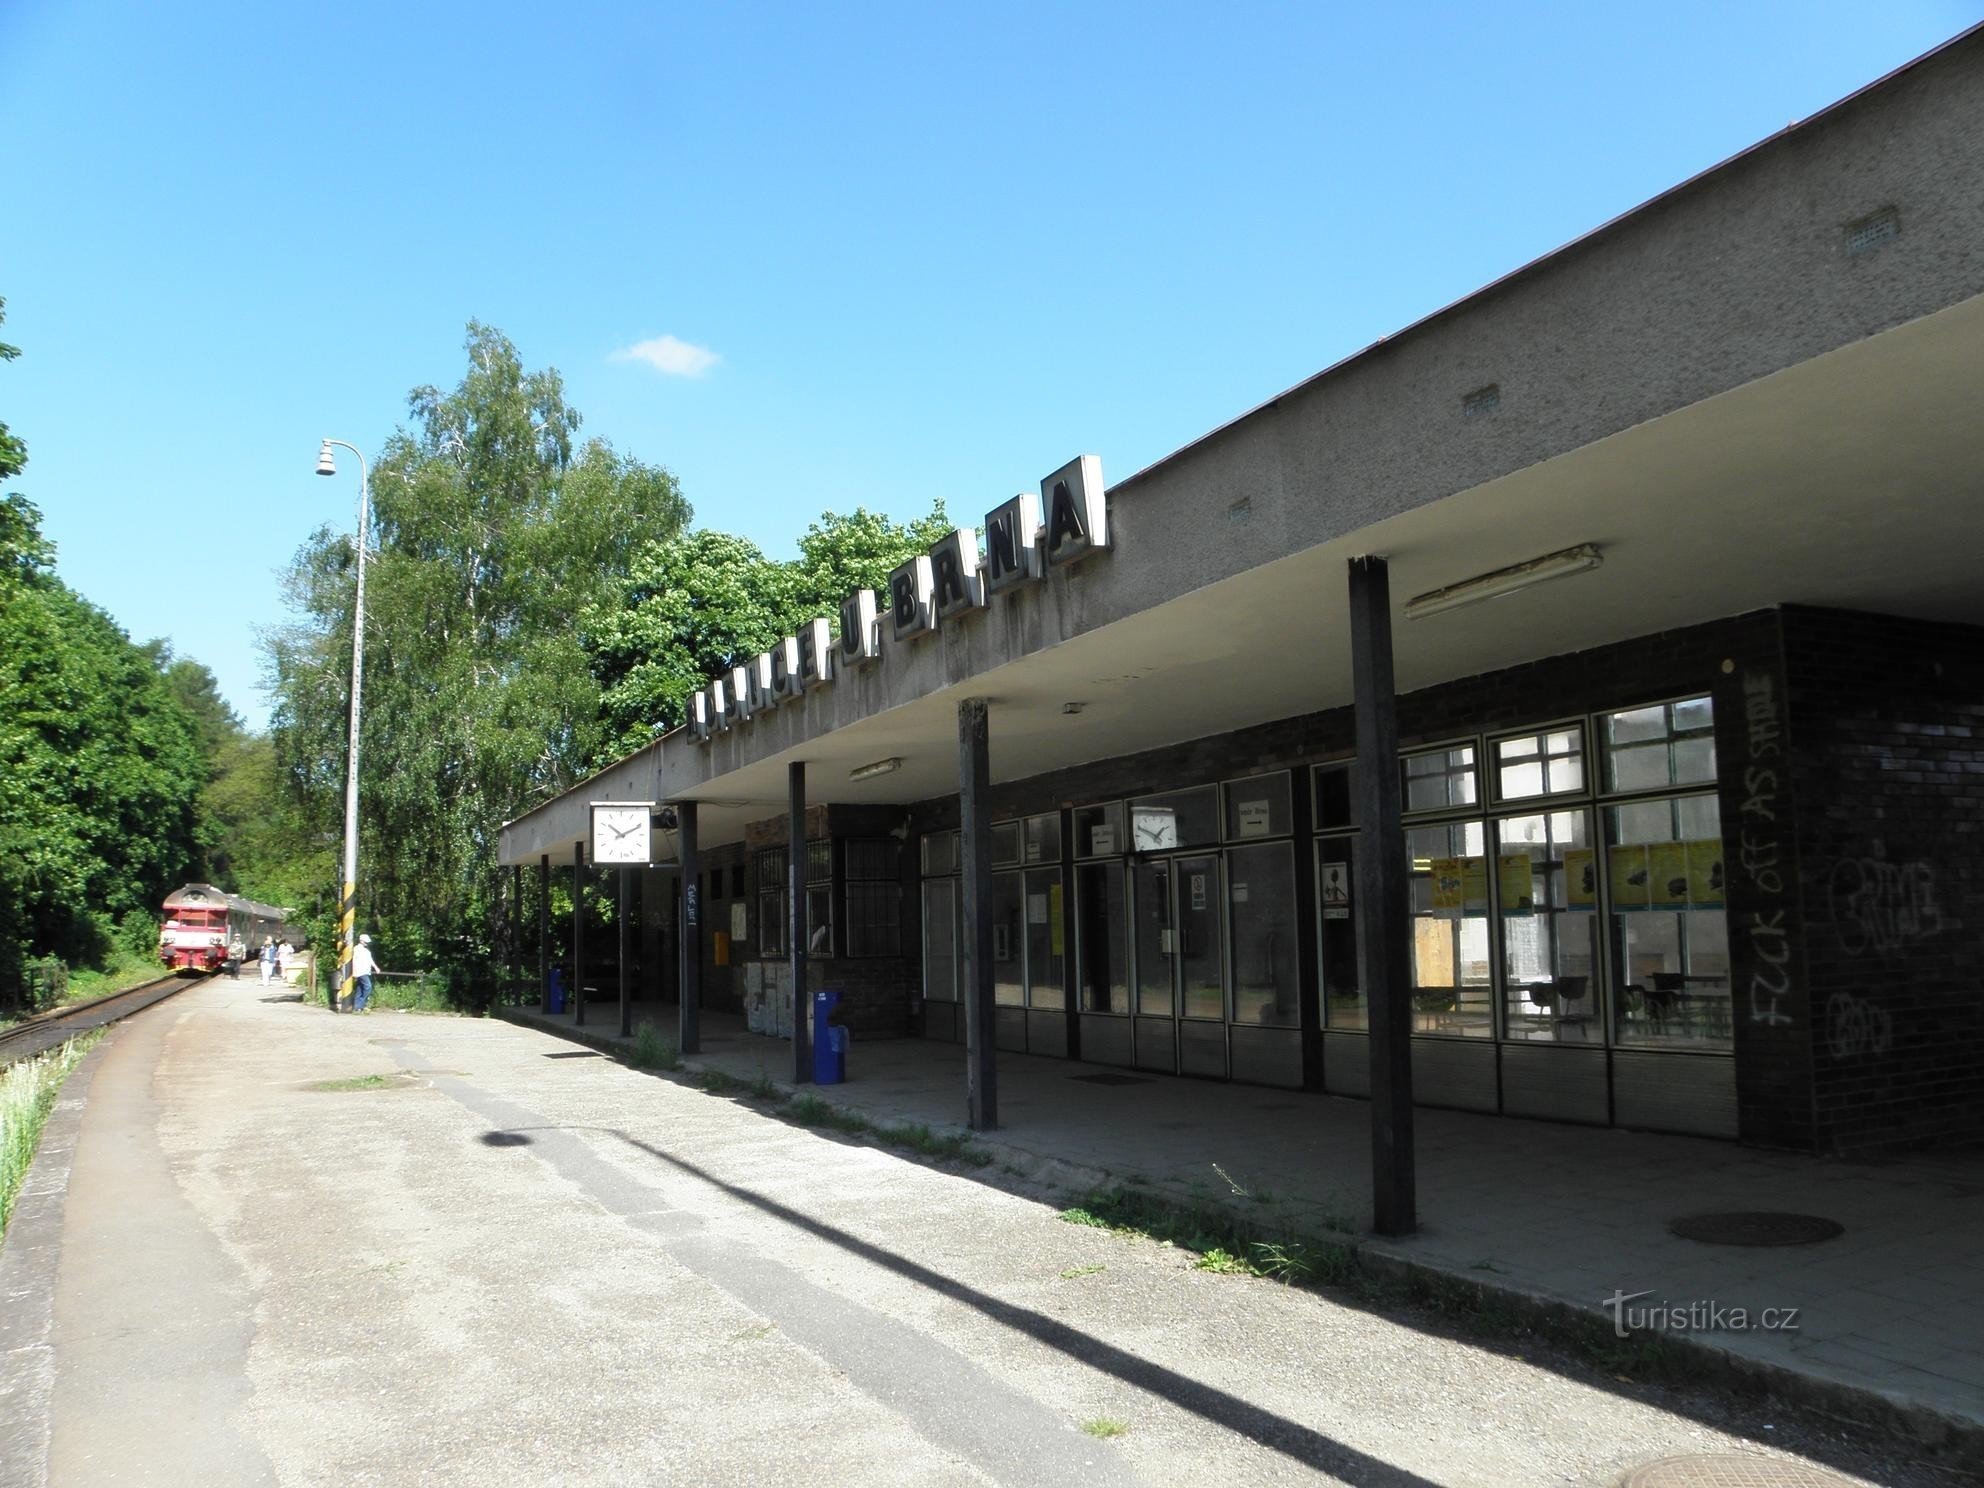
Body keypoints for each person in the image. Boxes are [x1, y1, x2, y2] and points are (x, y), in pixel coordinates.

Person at [351, 933, 379, 1012]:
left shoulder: (367, 951)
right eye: (365, 941)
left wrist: (376, 967)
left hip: (366, 971)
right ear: (361, 941)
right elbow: (354, 960)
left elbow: (370, 960)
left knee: (360, 989)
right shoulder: (356, 949)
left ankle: (357, 1007)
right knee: (368, 987)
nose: (367, 943)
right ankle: (361, 1004)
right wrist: (354, 971)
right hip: (360, 971)